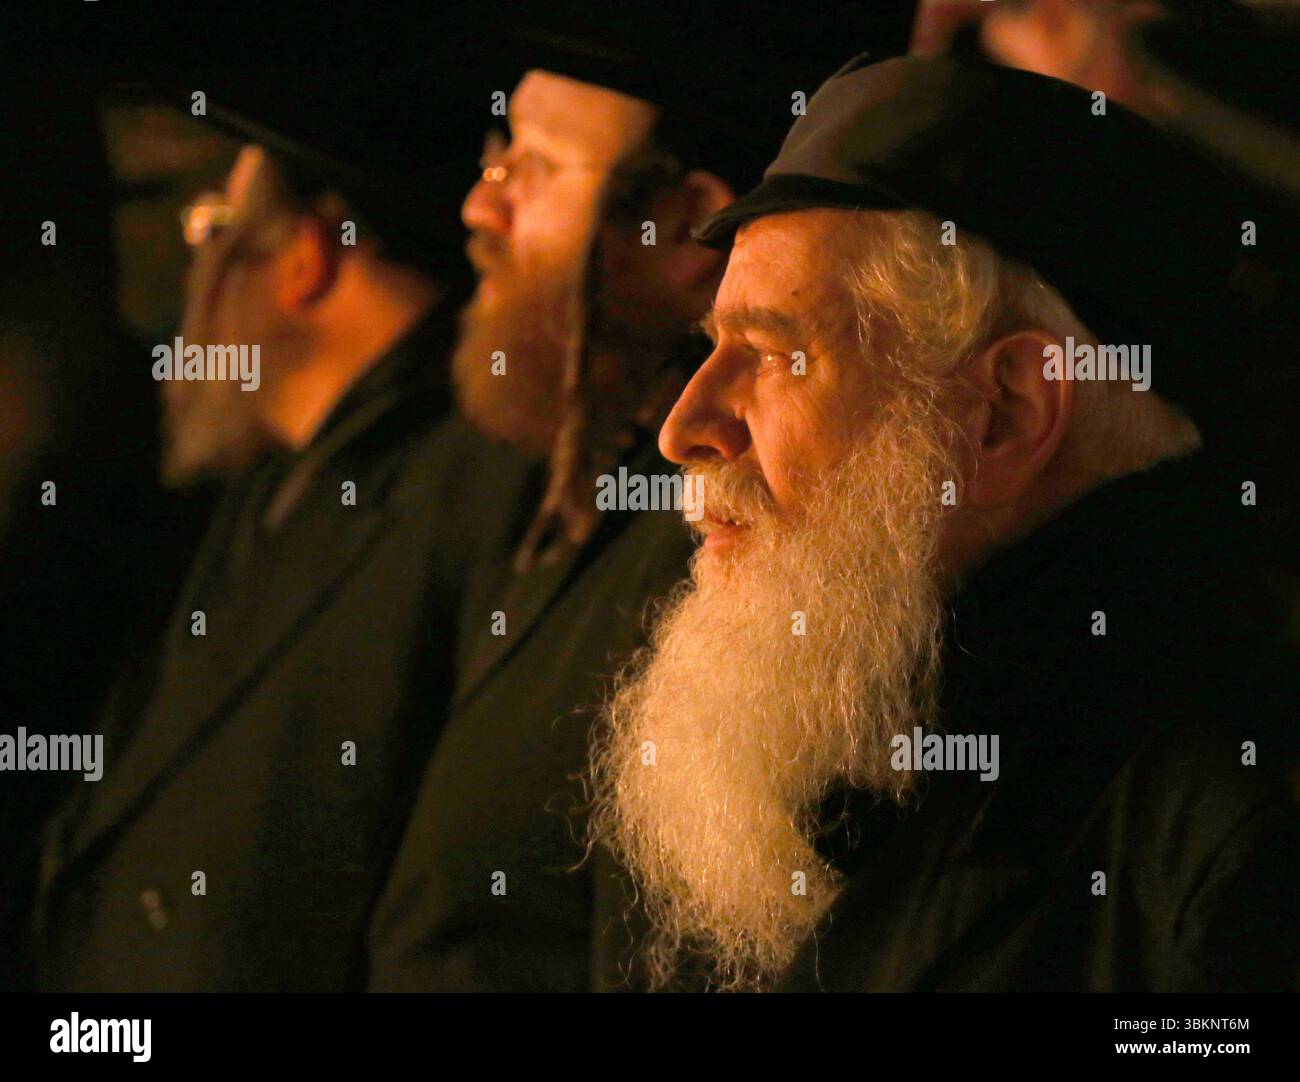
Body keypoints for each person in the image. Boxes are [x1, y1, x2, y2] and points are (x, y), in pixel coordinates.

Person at [588, 52, 1300, 991]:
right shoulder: (874, 721)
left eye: (771, 354)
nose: (683, 429)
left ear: (1005, 413)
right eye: (711, 347)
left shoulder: (1230, 852)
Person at [366, 4, 920, 991]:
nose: (477, 209)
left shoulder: (737, 570)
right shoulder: (528, 487)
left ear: (678, 230)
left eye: (527, 170)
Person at [33, 14, 521, 991]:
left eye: (204, 228)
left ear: (309, 257)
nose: (174, 284)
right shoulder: (266, 488)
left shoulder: (470, 485)